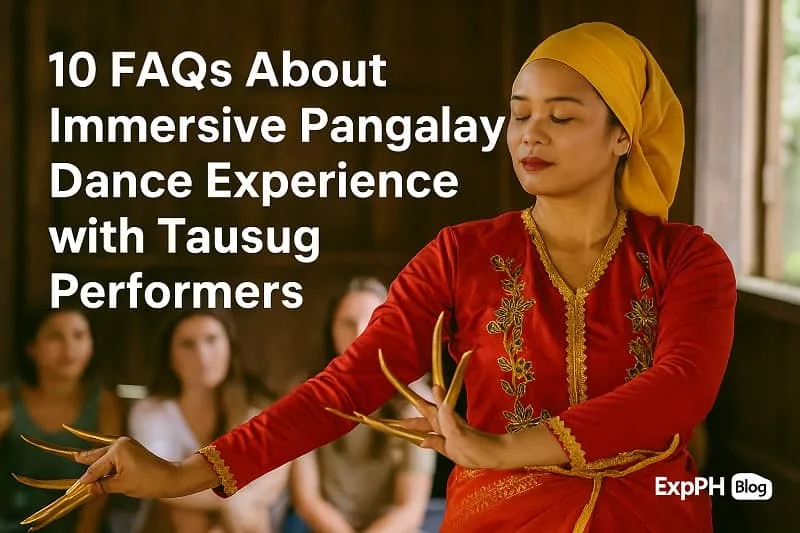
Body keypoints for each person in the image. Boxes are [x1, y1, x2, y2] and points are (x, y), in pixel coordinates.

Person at [31, 22, 736, 533]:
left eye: (560, 116)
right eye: (519, 114)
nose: (529, 135)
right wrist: (185, 471)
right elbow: (348, 384)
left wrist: (498, 445)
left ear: (624, 135)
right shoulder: (460, 254)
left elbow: (679, 389)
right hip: (498, 519)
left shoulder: (686, 257)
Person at [286, 278, 436, 533]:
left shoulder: (418, 404)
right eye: (347, 323)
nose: (358, 334)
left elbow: (410, 509)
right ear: (331, 331)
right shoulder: (305, 397)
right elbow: (307, 499)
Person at [128, 310, 290, 533]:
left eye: (212, 340)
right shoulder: (151, 412)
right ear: (169, 356)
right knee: (186, 513)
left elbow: (269, 484)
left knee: (249, 512)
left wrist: (233, 509)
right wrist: (230, 503)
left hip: (247, 518)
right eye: (187, 344)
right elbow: (160, 483)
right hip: (173, 520)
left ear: (230, 347)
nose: (202, 355)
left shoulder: (256, 408)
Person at [0, 306, 123, 533]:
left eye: (79, 335)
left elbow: (103, 484)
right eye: (56, 336)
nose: (69, 348)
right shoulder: (7, 399)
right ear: (31, 347)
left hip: (79, 525)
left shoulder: (105, 403)